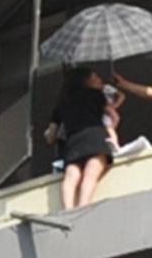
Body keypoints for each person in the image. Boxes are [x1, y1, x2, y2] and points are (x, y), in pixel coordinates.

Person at [45, 67, 113, 209]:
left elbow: (51, 136)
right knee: (91, 171)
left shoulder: (63, 102)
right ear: (86, 80)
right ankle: (83, 205)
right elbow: (110, 112)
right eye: (95, 77)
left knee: (71, 174)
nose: (99, 79)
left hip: (73, 141)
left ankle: (68, 209)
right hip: (94, 136)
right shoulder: (96, 95)